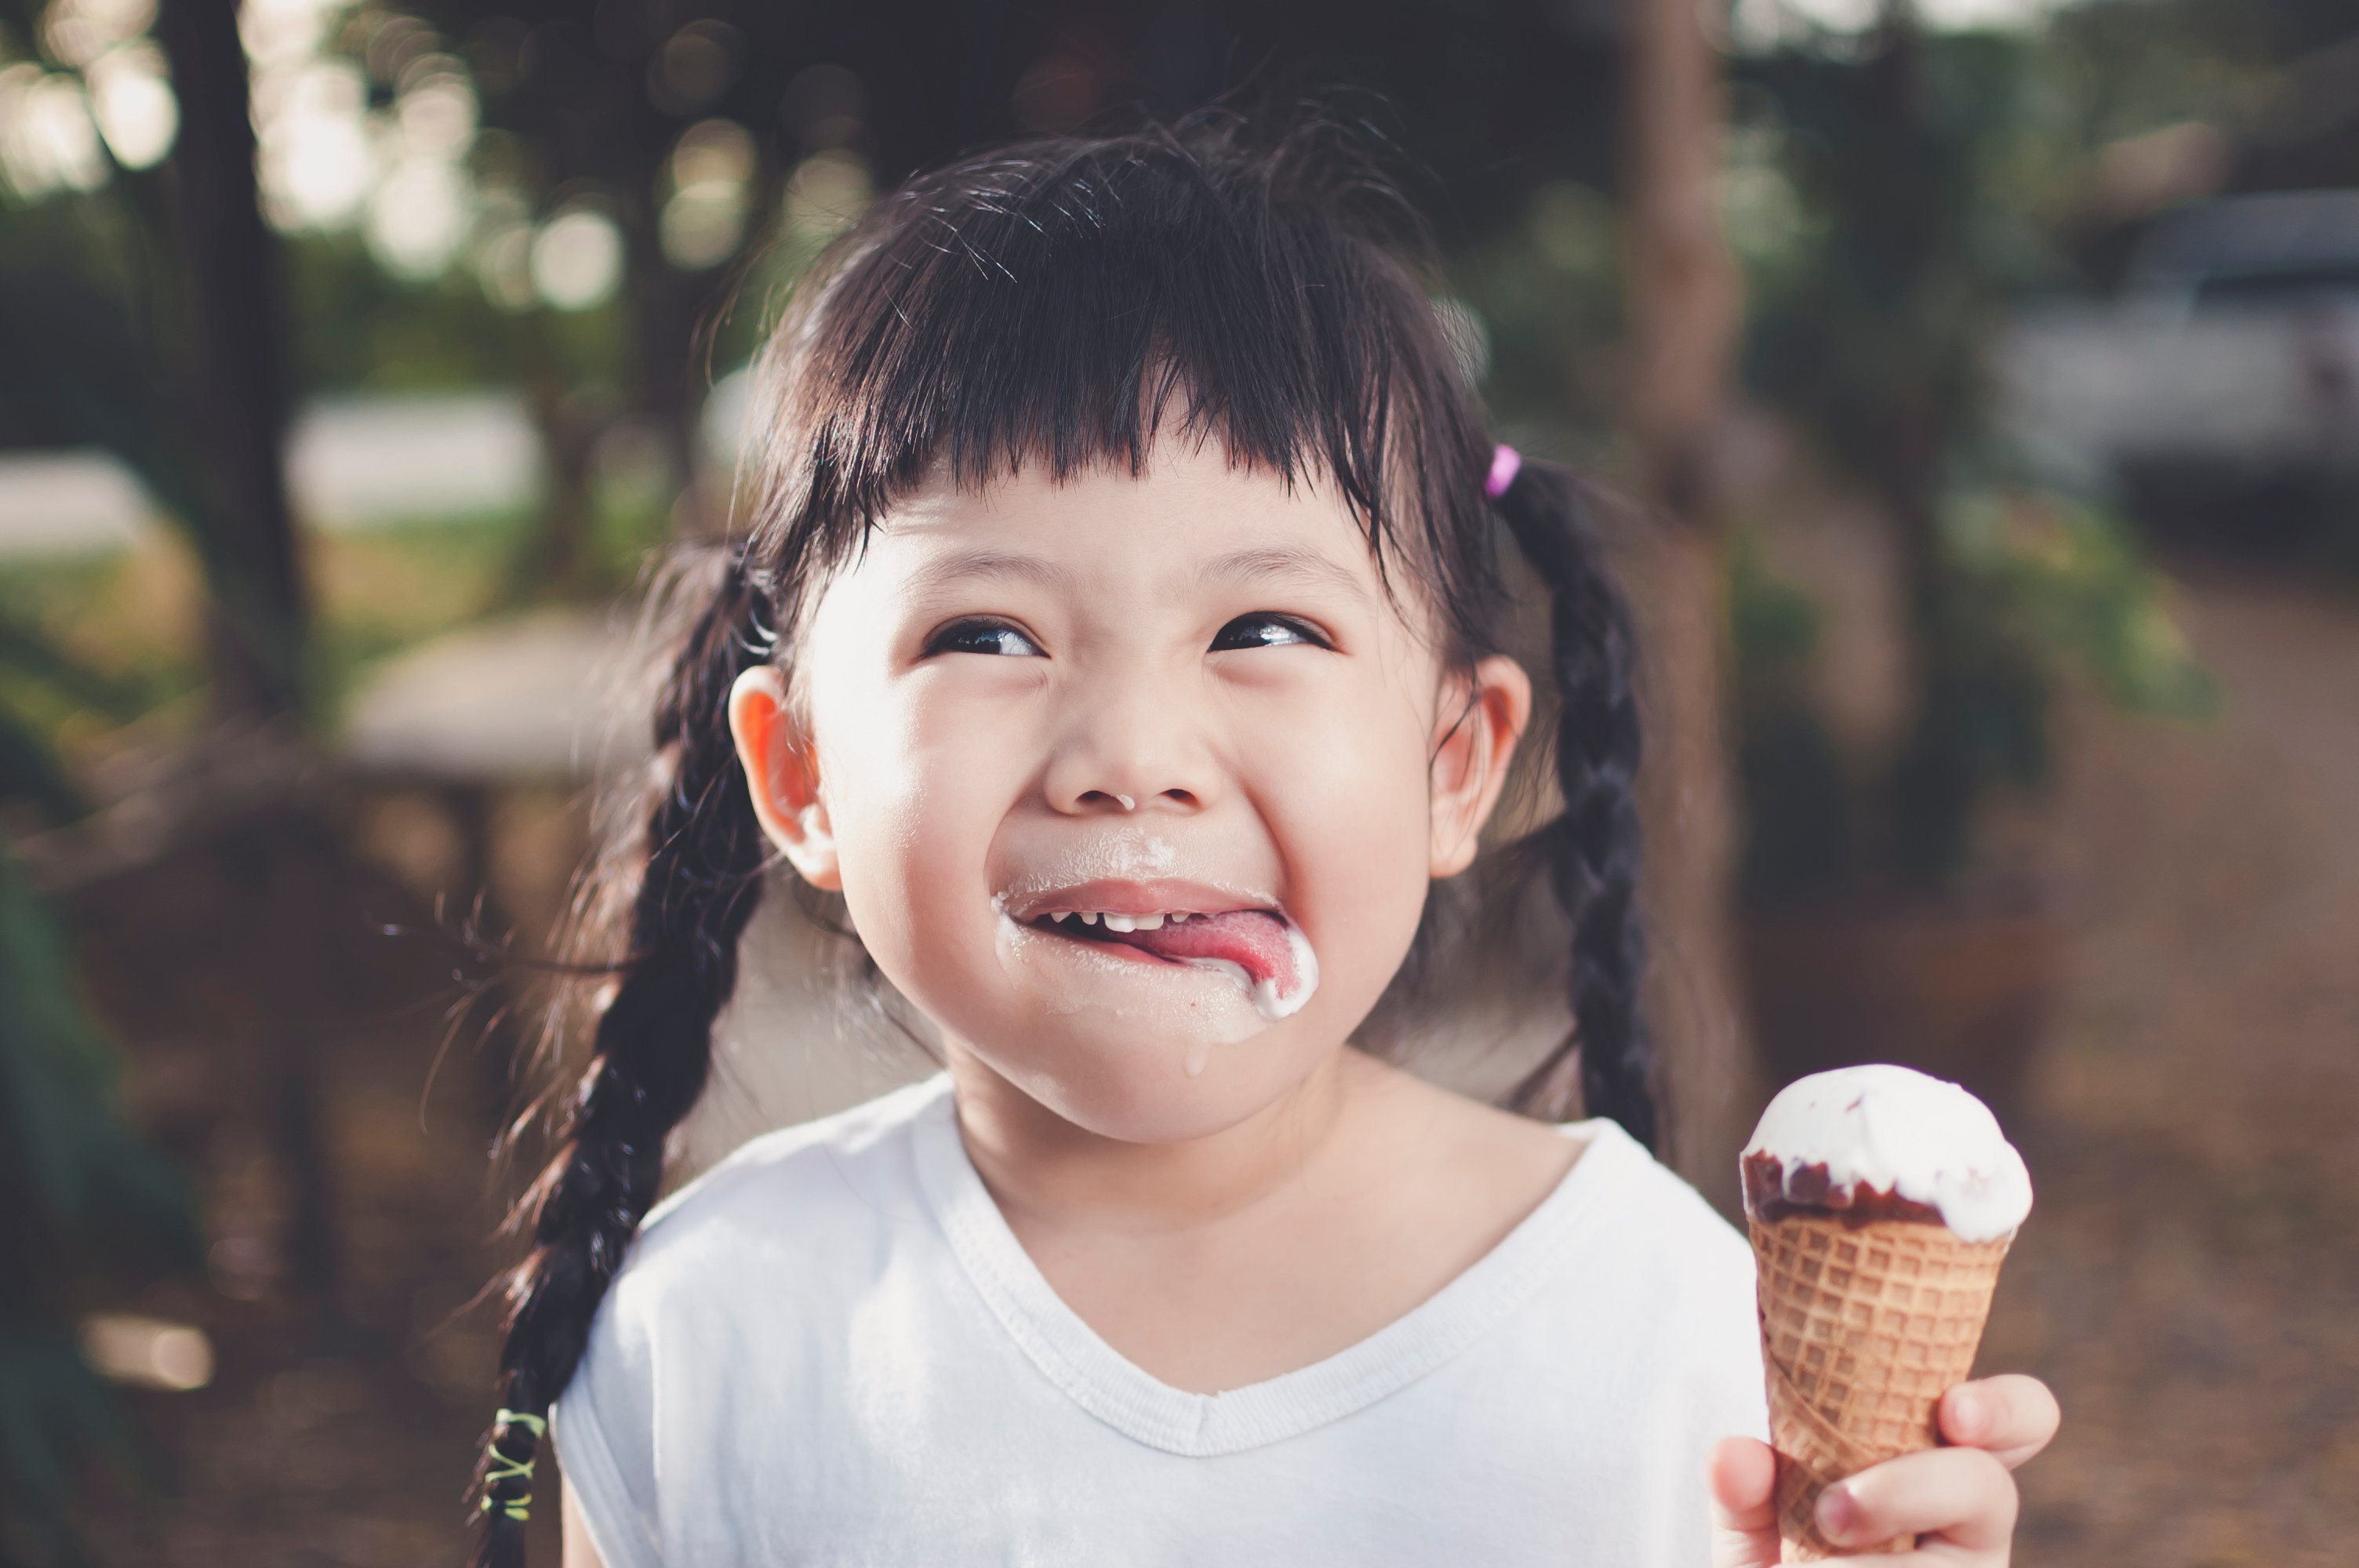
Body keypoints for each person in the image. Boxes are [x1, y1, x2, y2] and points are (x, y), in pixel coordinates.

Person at [465, 116, 2058, 1568]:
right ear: (800, 774)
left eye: (1262, 623)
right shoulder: (706, 1336)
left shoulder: (1679, 1341)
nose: (1129, 758)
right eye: (990, 635)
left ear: (1456, 766)